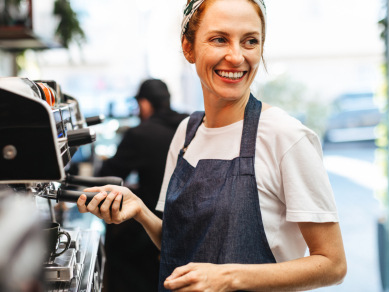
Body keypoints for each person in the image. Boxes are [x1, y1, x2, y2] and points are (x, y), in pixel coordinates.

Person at [78, 0, 347, 291]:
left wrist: (229, 276)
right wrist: (140, 210)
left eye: (250, 41)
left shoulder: (287, 137)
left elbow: (333, 264)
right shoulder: (186, 133)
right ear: (188, 47)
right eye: (219, 39)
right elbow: (180, 248)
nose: (236, 56)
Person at [97, 79, 188, 292]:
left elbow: (107, 176)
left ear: (145, 104)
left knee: (116, 244)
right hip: (189, 224)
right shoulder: (190, 125)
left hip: (151, 229)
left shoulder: (141, 133)